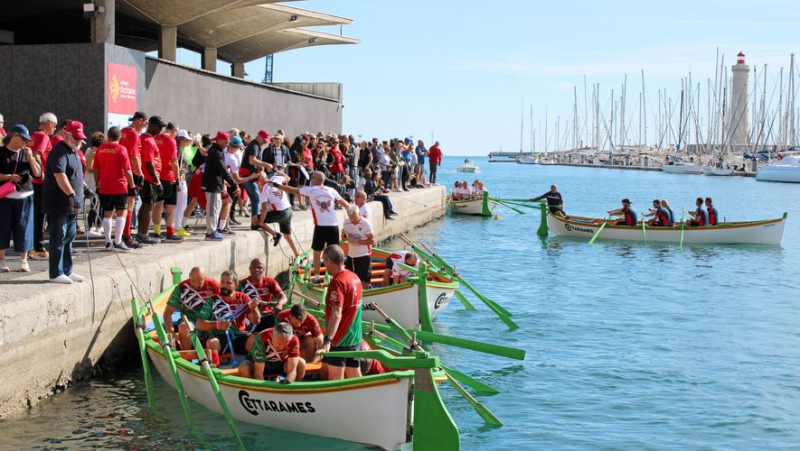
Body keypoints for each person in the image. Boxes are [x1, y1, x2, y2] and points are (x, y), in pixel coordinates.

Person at [275, 171, 349, 282]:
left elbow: (291, 190)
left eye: (312, 177)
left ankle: (317, 277)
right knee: (335, 253)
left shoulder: (311, 189)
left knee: (317, 252)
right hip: (334, 225)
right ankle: (337, 277)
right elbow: (346, 205)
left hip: (321, 226)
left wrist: (275, 185)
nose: (311, 179)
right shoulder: (332, 190)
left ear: (318, 180)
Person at [42, 121, 86, 283]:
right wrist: (72, 194)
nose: (79, 141)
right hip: (59, 203)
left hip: (71, 206)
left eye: (80, 138)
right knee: (58, 238)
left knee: (69, 238)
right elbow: (60, 175)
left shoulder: (73, 151)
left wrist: (85, 189)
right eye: (76, 137)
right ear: (66, 134)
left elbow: (75, 175)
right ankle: (56, 272)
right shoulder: (59, 152)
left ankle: (67, 270)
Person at [318, 245, 363, 380]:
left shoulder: (337, 283)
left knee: (336, 380)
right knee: (355, 377)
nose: (325, 266)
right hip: (355, 337)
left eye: (325, 262)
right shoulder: (354, 277)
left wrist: (327, 340)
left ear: (330, 261)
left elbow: (336, 314)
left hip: (340, 339)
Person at [0, 125, 41, 273]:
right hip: (5, 197)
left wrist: (30, 157)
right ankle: (2, 261)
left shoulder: (27, 153)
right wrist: (9, 177)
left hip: (25, 196)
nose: (25, 142)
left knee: (24, 229)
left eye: (26, 139)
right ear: (13, 135)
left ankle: (23, 261)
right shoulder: (1, 152)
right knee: (3, 228)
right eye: (23, 139)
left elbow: (37, 174)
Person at [92, 127, 135, 252]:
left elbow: (96, 169)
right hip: (119, 186)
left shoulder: (100, 149)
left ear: (108, 136)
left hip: (104, 186)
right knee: (122, 212)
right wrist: (132, 186)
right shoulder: (121, 149)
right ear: (120, 136)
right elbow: (127, 170)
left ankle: (107, 241)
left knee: (107, 213)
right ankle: (117, 241)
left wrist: (97, 183)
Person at [163, 266, 220, 349]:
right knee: (183, 327)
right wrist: (172, 333)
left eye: (199, 284)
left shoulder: (213, 285)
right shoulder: (181, 288)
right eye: (193, 283)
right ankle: (186, 356)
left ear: (205, 277)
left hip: (210, 321)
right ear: (189, 276)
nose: (196, 286)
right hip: (191, 321)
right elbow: (167, 313)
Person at [29, 112, 58, 260]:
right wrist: (41, 174)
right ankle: (38, 248)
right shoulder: (43, 136)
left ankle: (33, 246)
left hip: (33, 181)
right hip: (40, 181)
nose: (54, 129)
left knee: (36, 215)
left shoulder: (32, 136)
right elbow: (37, 154)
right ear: (49, 124)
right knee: (41, 215)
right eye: (54, 125)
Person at [240, 322, 306, 383]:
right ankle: (254, 391)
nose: (282, 347)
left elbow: (292, 371)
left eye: (286, 344)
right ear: (272, 336)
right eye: (279, 343)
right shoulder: (262, 337)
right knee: (244, 367)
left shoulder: (294, 340)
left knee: (301, 363)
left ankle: (293, 390)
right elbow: (258, 374)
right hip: (258, 364)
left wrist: (287, 383)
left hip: (280, 363)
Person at [202, 131, 239, 241]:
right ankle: (210, 232)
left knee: (216, 207)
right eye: (226, 142)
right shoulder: (216, 152)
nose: (227, 144)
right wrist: (234, 184)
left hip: (215, 184)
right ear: (220, 141)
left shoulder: (217, 151)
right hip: (212, 184)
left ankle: (213, 230)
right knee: (212, 208)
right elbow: (223, 170)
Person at [152, 122, 185, 242]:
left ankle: (156, 232)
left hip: (156, 175)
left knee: (158, 204)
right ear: (175, 131)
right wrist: (177, 179)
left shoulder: (156, 138)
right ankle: (170, 232)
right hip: (168, 176)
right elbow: (174, 161)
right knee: (171, 206)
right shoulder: (171, 141)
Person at [135, 116, 165, 245]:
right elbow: (149, 163)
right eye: (159, 127)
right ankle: (143, 234)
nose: (160, 130)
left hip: (147, 177)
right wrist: (157, 181)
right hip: (149, 178)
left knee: (145, 205)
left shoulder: (146, 139)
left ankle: (141, 233)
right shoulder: (147, 140)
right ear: (152, 125)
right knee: (149, 206)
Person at [119, 111, 147, 249]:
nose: (145, 126)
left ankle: (122, 235)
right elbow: (134, 156)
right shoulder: (134, 134)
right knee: (129, 204)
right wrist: (140, 174)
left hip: (120, 172)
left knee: (121, 206)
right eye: (145, 123)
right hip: (130, 172)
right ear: (139, 120)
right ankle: (126, 235)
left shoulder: (122, 131)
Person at [257, 168, 299, 256]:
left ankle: (275, 235)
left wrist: (261, 222)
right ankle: (297, 255)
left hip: (280, 213)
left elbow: (264, 209)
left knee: (255, 220)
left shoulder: (264, 190)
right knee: (287, 236)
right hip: (289, 210)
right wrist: (277, 171)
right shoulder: (275, 178)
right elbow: (288, 178)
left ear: (259, 181)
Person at [238, 257, 287, 332]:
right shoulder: (241, 285)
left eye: (259, 267)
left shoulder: (270, 282)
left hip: (267, 314)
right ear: (249, 269)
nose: (256, 270)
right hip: (251, 316)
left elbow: (283, 297)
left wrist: (280, 303)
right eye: (253, 267)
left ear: (263, 269)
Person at [240, 130, 272, 228]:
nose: (265, 142)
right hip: (248, 176)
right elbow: (252, 160)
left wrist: (261, 171)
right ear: (259, 137)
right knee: (256, 198)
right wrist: (266, 165)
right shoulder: (254, 146)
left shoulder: (256, 146)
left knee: (256, 198)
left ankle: (255, 221)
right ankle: (255, 223)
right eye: (264, 140)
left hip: (250, 175)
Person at [342, 204, 375, 290]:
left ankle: (365, 298)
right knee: (349, 279)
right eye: (350, 218)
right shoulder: (346, 222)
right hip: (351, 255)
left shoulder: (365, 223)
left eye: (354, 218)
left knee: (363, 281)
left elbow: (372, 241)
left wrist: (357, 241)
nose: (352, 220)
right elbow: (343, 237)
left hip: (363, 255)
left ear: (359, 214)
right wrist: (345, 237)